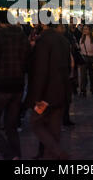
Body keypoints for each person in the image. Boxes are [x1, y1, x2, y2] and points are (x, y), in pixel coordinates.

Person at [0, 11, 31, 160]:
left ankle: (10, 155)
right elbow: (28, 60)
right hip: (18, 85)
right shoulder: (22, 36)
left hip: (2, 85)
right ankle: (17, 158)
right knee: (11, 127)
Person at [26, 17, 71, 160]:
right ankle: (51, 155)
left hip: (46, 93)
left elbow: (41, 71)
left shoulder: (43, 41)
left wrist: (37, 97)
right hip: (61, 91)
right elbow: (68, 67)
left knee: (36, 122)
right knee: (54, 128)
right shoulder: (63, 40)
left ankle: (57, 152)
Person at [79, 25, 93, 97]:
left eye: (86, 29)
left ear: (90, 30)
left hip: (92, 58)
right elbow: (81, 50)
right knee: (83, 76)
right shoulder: (82, 38)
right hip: (84, 57)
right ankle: (83, 90)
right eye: (84, 29)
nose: (85, 30)